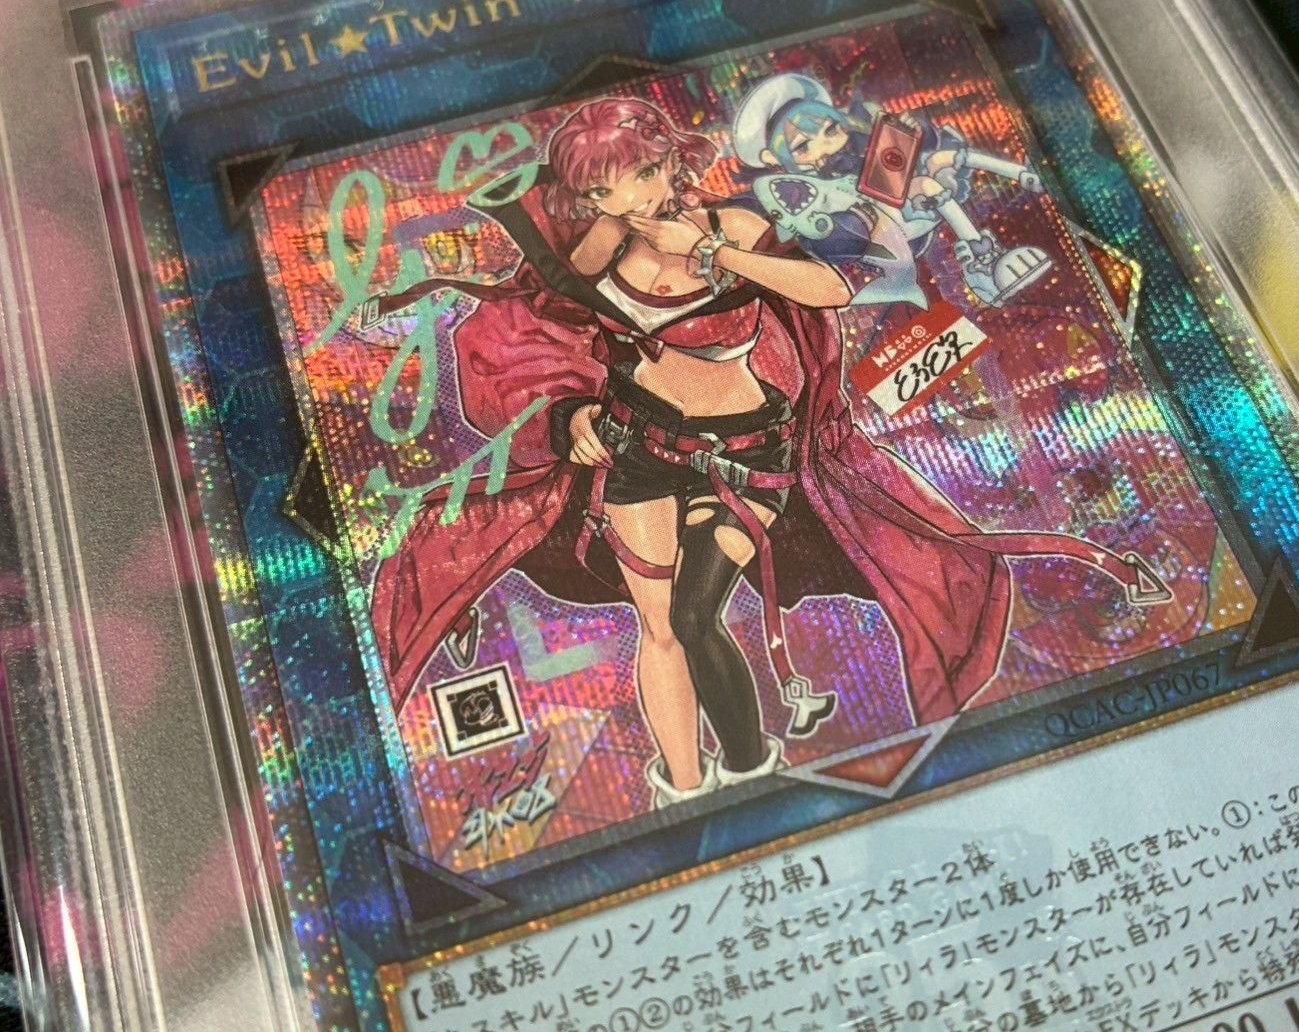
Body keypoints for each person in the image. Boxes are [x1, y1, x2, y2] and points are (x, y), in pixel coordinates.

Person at [366, 97, 1170, 810]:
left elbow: (831, 290)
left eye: (644, 171)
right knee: (659, 626)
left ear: (671, 161)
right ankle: (684, 788)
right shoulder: (598, 252)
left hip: (750, 448)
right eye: (608, 187)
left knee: (694, 613)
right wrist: (570, 410)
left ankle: (750, 766)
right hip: (643, 447)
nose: (636, 196)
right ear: (589, 196)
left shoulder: (734, 228)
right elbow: (536, 327)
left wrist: (709, 254)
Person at [732, 73, 1052, 308]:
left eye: (831, 129)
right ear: (772, 158)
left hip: (900, 205)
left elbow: (887, 166)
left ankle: (1024, 175)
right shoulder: (796, 190)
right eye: (803, 146)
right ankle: (981, 264)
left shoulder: (856, 149)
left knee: (940, 159)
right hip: (881, 229)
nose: (827, 145)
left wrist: (909, 136)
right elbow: (826, 228)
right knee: (928, 183)